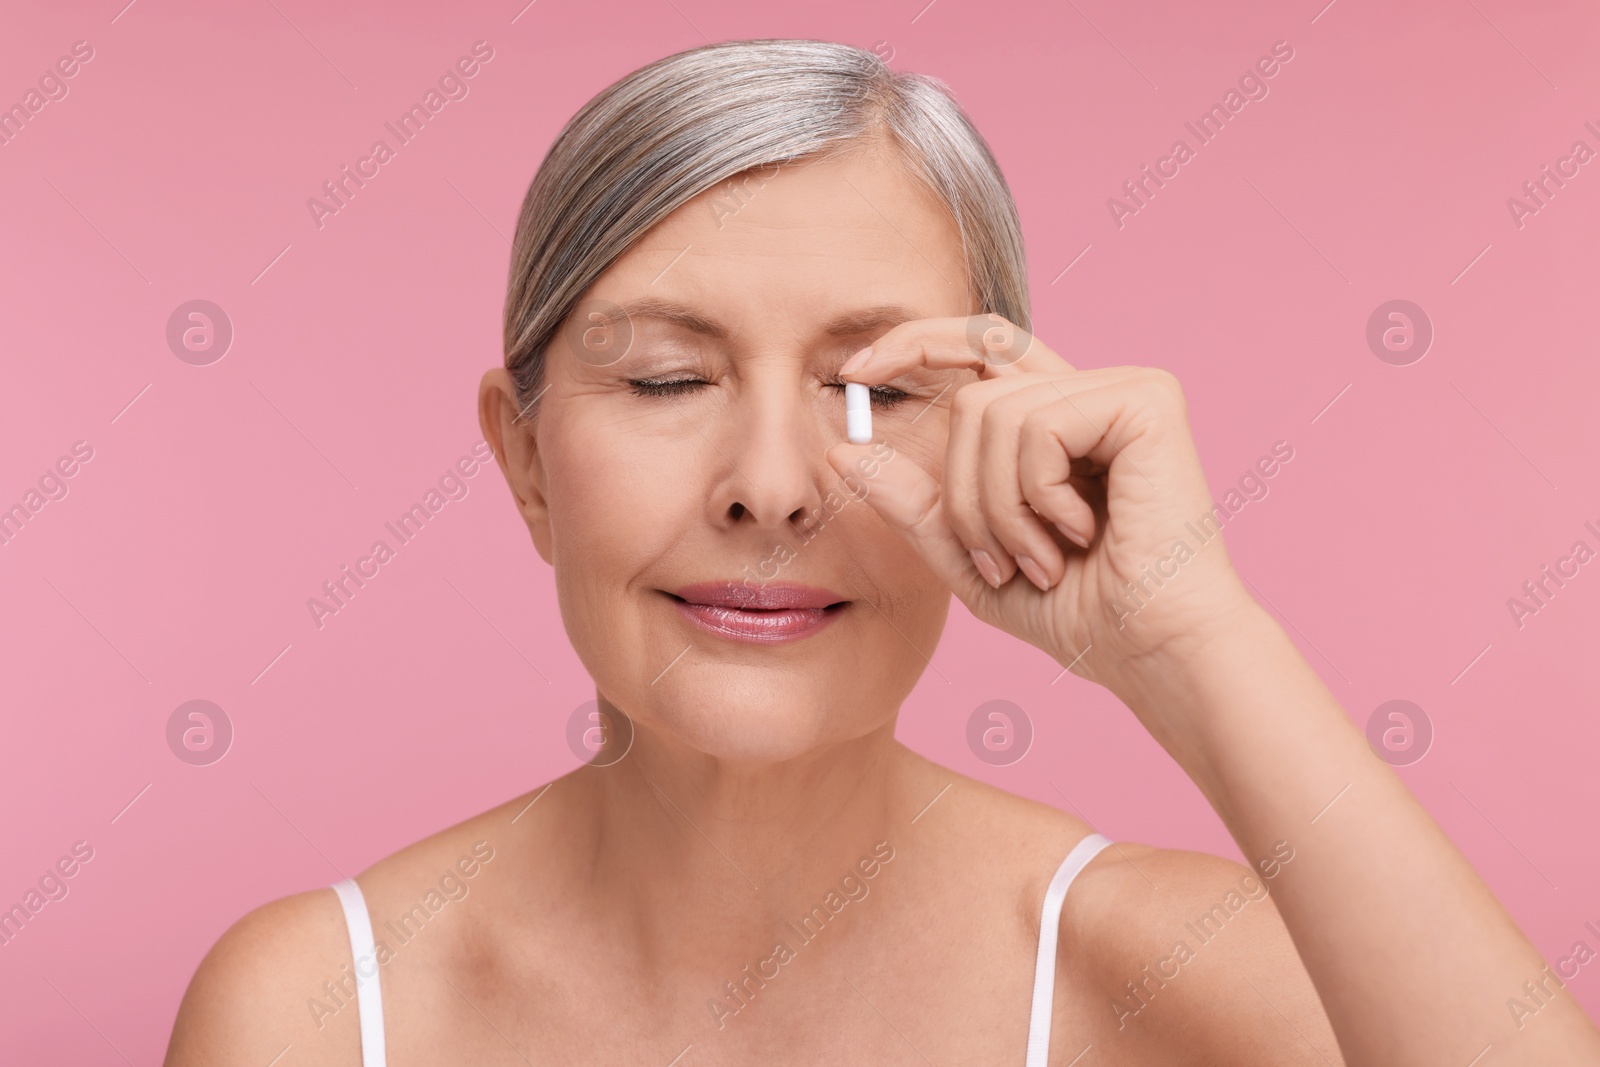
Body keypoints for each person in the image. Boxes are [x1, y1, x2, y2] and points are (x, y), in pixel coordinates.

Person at [165, 38, 1600, 1066]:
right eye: (668, 379)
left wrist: (1192, 639)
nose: (773, 488)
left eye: (879, 395)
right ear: (525, 456)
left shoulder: (1174, 979)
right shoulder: (319, 1008)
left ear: (1000, 426)